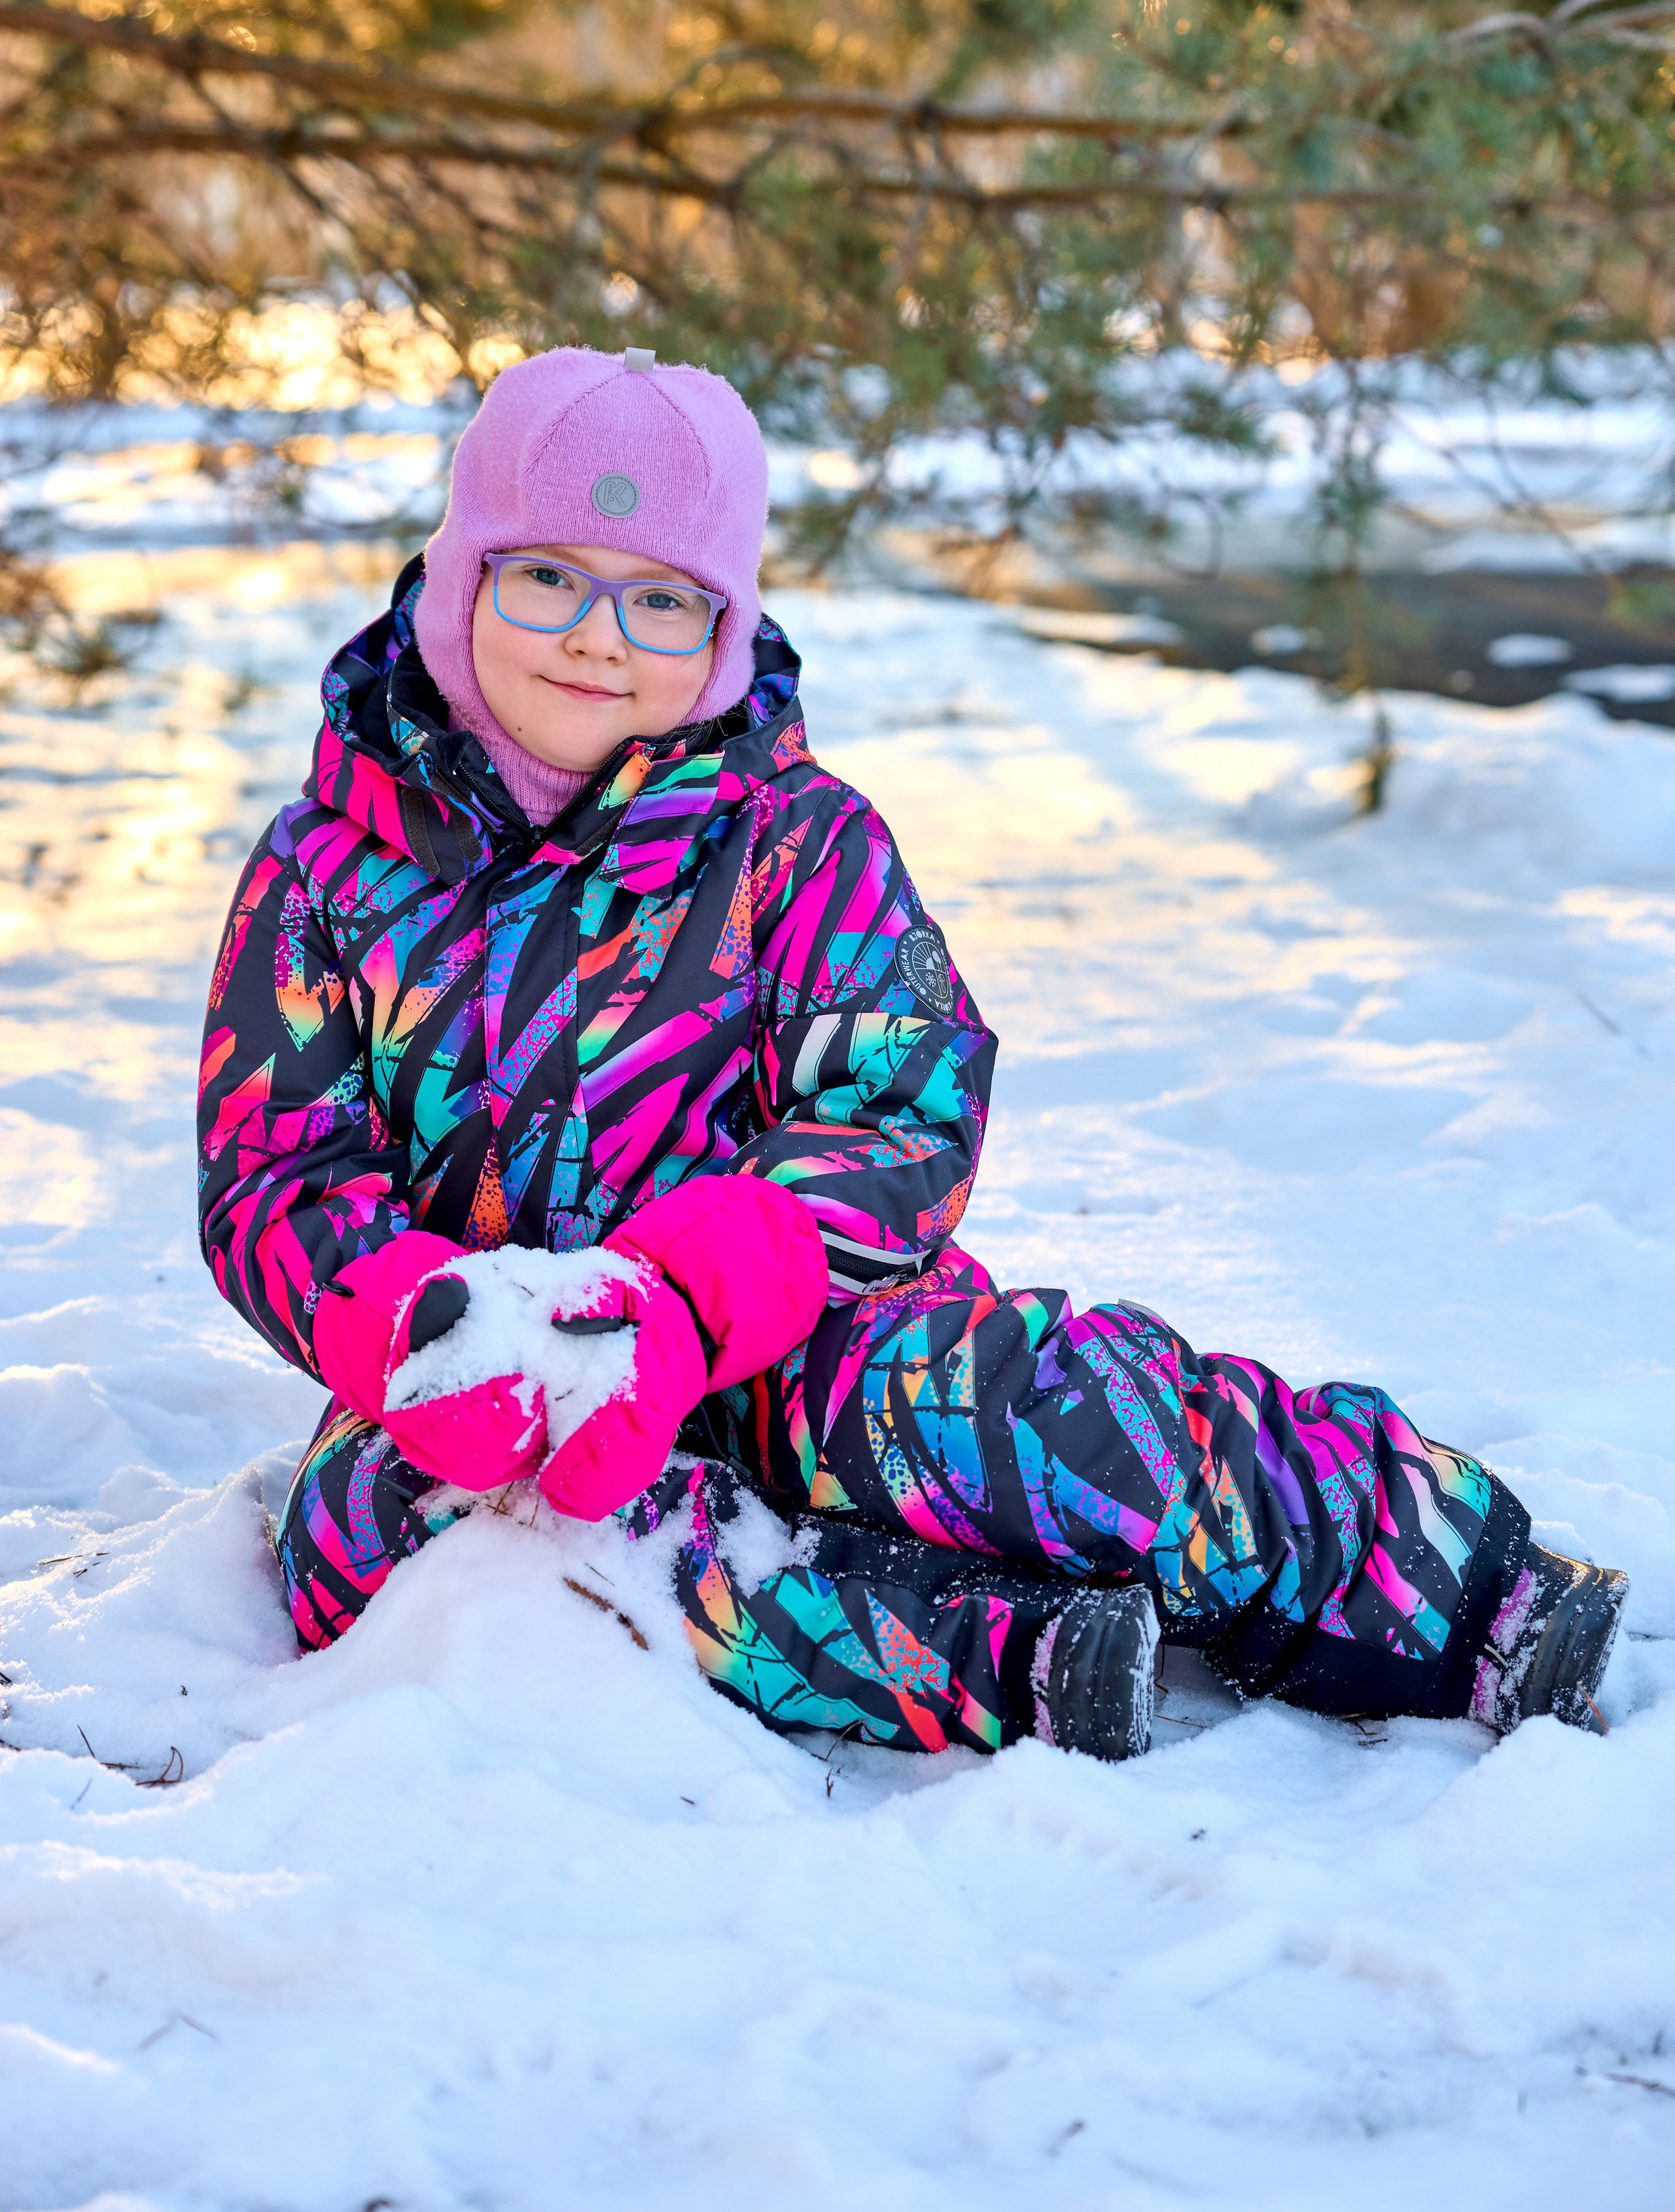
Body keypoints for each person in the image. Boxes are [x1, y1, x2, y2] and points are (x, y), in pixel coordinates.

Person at [198, 345, 1628, 1761]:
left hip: (788, 1326)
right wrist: (417, 1328)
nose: (598, 638)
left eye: (660, 599)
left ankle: (1428, 1575)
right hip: (501, 1382)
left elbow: (901, 1104)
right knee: (368, 1540)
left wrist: (680, 1300)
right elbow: (276, 1172)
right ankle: (1007, 1657)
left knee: (997, 1412)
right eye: (548, 578)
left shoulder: (797, 841)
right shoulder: (325, 871)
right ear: (461, 582)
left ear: (723, 629)